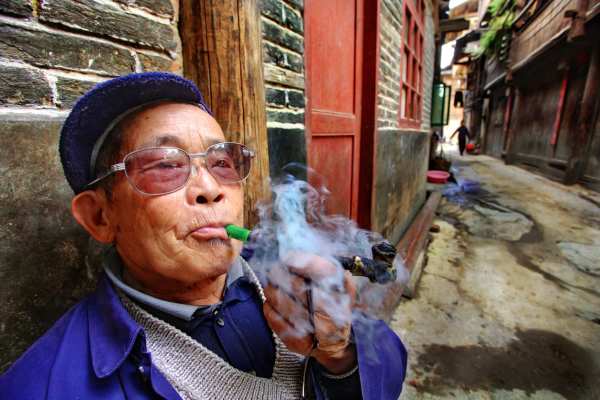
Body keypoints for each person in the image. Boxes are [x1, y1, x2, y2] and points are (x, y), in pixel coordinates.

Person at [0, 72, 407, 399]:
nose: (210, 187)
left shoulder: (290, 280)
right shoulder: (44, 386)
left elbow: (385, 369)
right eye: (164, 165)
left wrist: (339, 356)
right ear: (100, 216)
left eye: (222, 163)